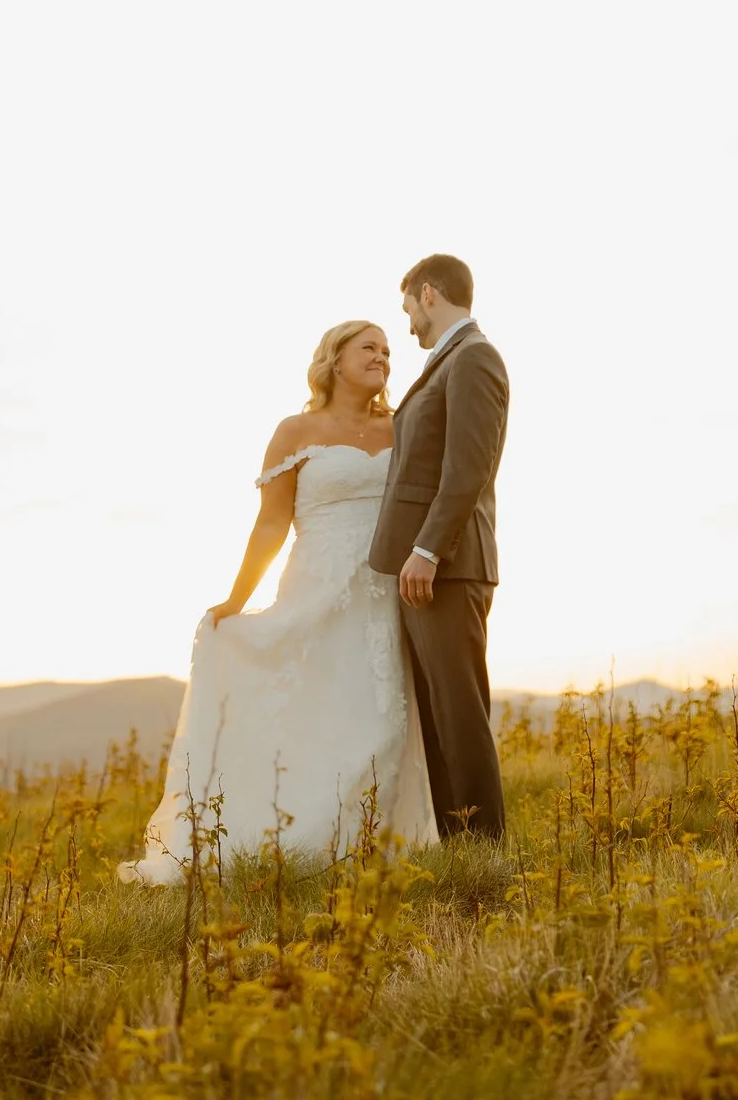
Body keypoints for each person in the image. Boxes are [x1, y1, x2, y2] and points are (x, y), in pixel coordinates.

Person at [118, 320, 437, 885]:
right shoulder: (295, 430)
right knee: (317, 721)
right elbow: (271, 523)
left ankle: (368, 851)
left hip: (384, 599)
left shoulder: (400, 426)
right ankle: (298, 849)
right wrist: (237, 599)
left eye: (388, 351)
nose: (383, 357)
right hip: (317, 590)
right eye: (369, 347)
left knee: (382, 722)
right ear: (334, 359)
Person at [368, 254, 510, 841]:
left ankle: (486, 854)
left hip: (448, 566)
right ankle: (462, 854)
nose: (407, 324)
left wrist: (427, 550)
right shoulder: (450, 360)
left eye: (407, 307)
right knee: (438, 722)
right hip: (429, 568)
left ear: (429, 293)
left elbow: (469, 467)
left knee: (460, 718)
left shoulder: (474, 357)